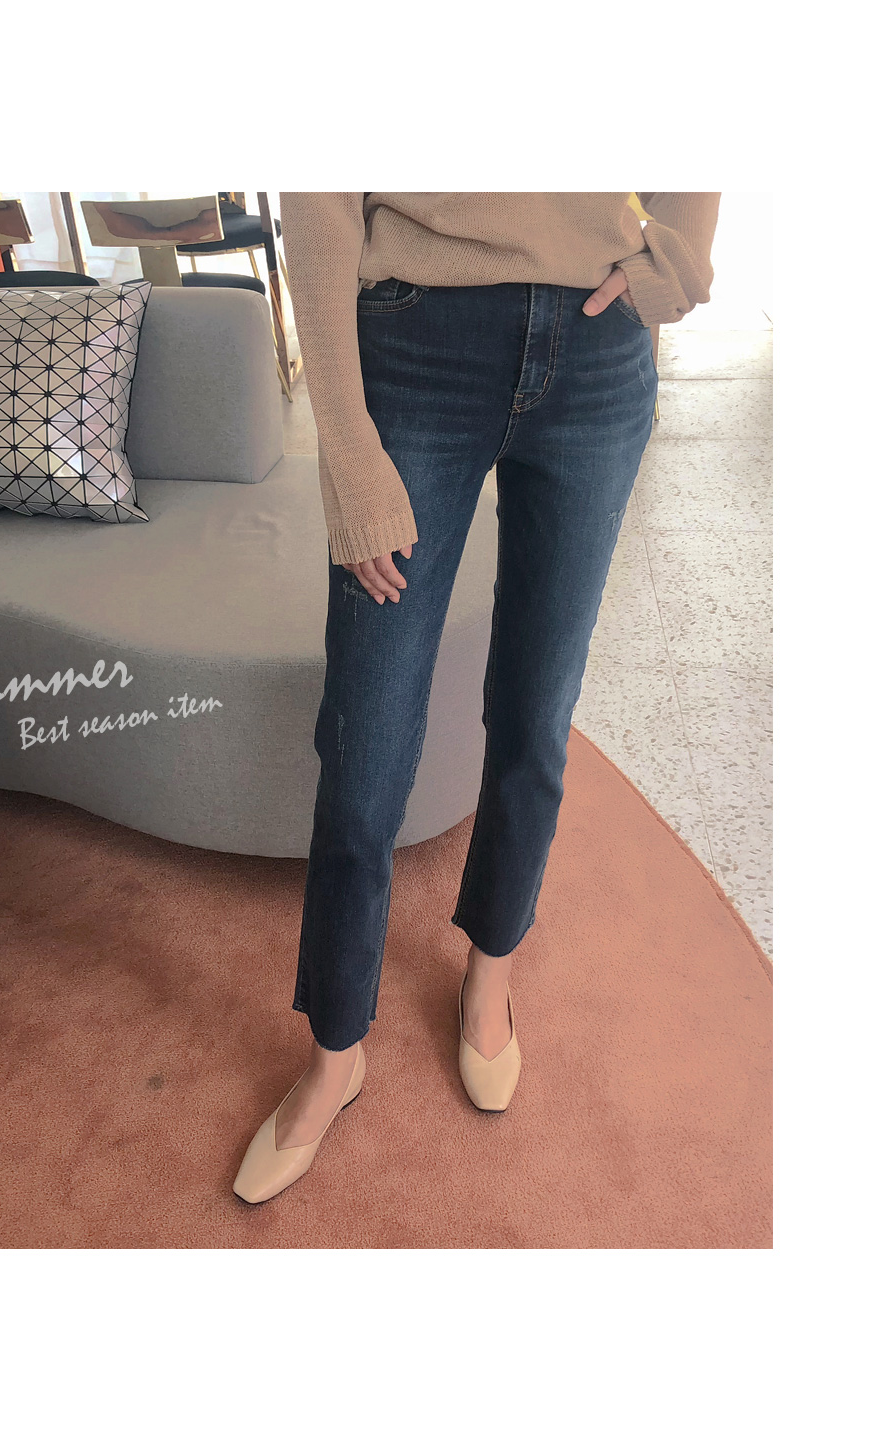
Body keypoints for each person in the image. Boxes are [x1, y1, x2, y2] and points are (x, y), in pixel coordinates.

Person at [233, 192, 721, 1204]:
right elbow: (320, 198)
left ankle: (490, 968)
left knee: (536, 713)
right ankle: (334, 1050)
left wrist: (678, 257)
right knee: (365, 746)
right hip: (416, 343)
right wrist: (347, 450)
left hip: (596, 349)